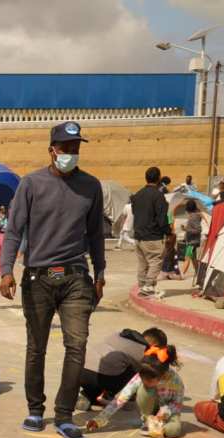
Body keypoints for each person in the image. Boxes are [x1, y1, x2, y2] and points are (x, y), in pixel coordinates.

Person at [0, 121, 106, 438]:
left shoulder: (91, 186)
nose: (71, 154)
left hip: (76, 277)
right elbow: (14, 230)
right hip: (38, 278)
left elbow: (96, 234)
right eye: (65, 148)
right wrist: (7, 270)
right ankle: (35, 408)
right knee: (37, 347)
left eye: (76, 148)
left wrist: (100, 272)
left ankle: (64, 414)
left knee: (77, 345)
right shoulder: (31, 184)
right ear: (52, 150)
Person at [86, 343, 185, 438]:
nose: (144, 381)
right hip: (150, 410)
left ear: (161, 376)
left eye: (149, 380)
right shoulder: (142, 377)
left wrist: (164, 413)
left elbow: (176, 404)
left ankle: (158, 428)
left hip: (168, 413)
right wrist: (99, 419)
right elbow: (121, 398)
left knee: (175, 430)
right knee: (145, 389)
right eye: (142, 378)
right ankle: (147, 420)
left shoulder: (176, 382)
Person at [79, 327, 165, 408]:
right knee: (140, 373)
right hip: (102, 378)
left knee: (115, 365)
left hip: (80, 372)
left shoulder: (120, 335)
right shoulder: (142, 350)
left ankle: (88, 396)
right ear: (155, 346)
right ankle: (113, 397)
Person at [131, 166, 170, 297]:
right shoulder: (158, 196)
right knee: (155, 261)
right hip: (152, 236)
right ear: (159, 178)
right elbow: (162, 218)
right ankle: (148, 286)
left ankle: (142, 285)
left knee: (142, 262)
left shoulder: (137, 194)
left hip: (138, 236)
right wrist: (168, 233)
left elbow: (134, 212)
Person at [182, 199, 204, 276]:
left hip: (192, 242)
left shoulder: (194, 217)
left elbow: (198, 230)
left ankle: (182, 274)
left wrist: (186, 229)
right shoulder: (194, 216)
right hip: (192, 241)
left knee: (187, 258)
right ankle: (199, 274)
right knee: (193, 259)